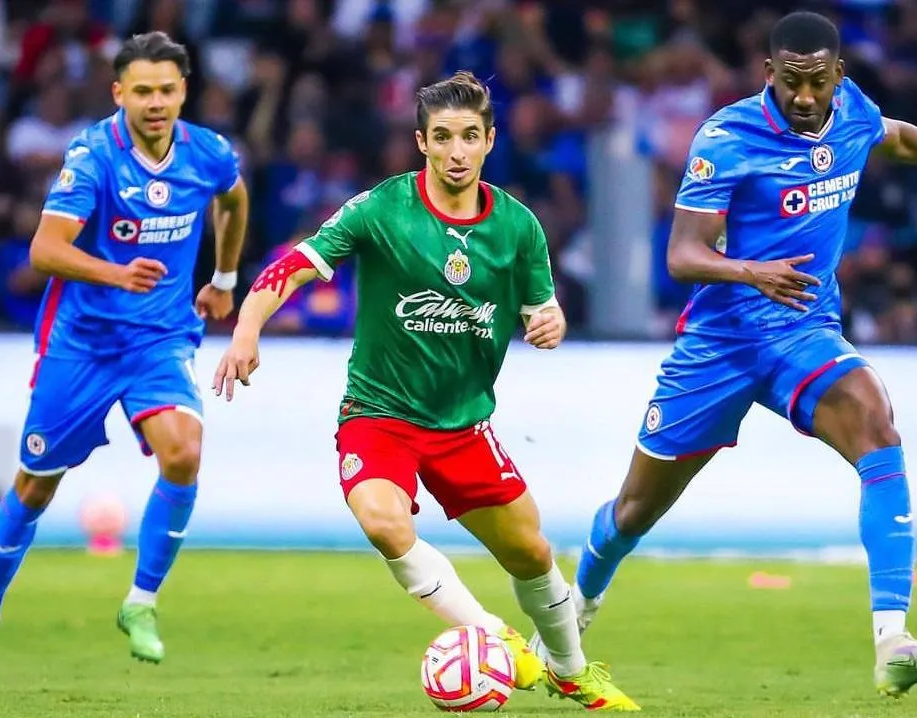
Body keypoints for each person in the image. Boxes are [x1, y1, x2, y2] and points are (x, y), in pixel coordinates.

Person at [555, 11, 917, 699]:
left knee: (876, 424)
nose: (804, 96)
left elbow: (892, 136)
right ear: (769, 73)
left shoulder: (850, 110)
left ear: (838, 76)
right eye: (791, 81)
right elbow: (682, 254)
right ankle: (572, 615)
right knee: (634, 511)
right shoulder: (725, 137)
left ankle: (892, 641)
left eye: (817, 82)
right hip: (720, 343)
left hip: (801, 331)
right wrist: (750, 271)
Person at [213, 71, 639, 712]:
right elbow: (294, 265)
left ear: (489, 140)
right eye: (443, 137)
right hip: (379, 415)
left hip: (464, 425)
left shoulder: (519, 227)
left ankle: (570, 671)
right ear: (422, 142)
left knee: (531, 552)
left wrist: (550, 321)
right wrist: (247, 329)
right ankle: (494, 638)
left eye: (469, 136)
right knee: (384, 522)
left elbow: (542, 308)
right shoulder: (382, 209)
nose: (456, 151)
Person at [0, 31, 248, 679]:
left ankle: (140, 602)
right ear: (119, 94)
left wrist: (224, 278)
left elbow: (233, 197)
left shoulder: (208, 153)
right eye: (142, 91)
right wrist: (116, 274)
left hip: (159, 340)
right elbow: (45, 249)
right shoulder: (92, 156)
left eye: (166, 90)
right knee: (35, 486)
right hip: (81, 344)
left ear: (183, 91)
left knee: (184, 452)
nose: (155, 102)